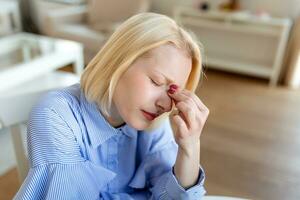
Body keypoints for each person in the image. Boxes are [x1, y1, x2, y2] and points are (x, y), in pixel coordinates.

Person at [14, 12, 209, 199]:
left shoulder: (154, 123)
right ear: (119, 62)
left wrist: (190, 147)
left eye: (173, 92)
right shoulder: (55, 115)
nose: (166, 105)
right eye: (157, 82)